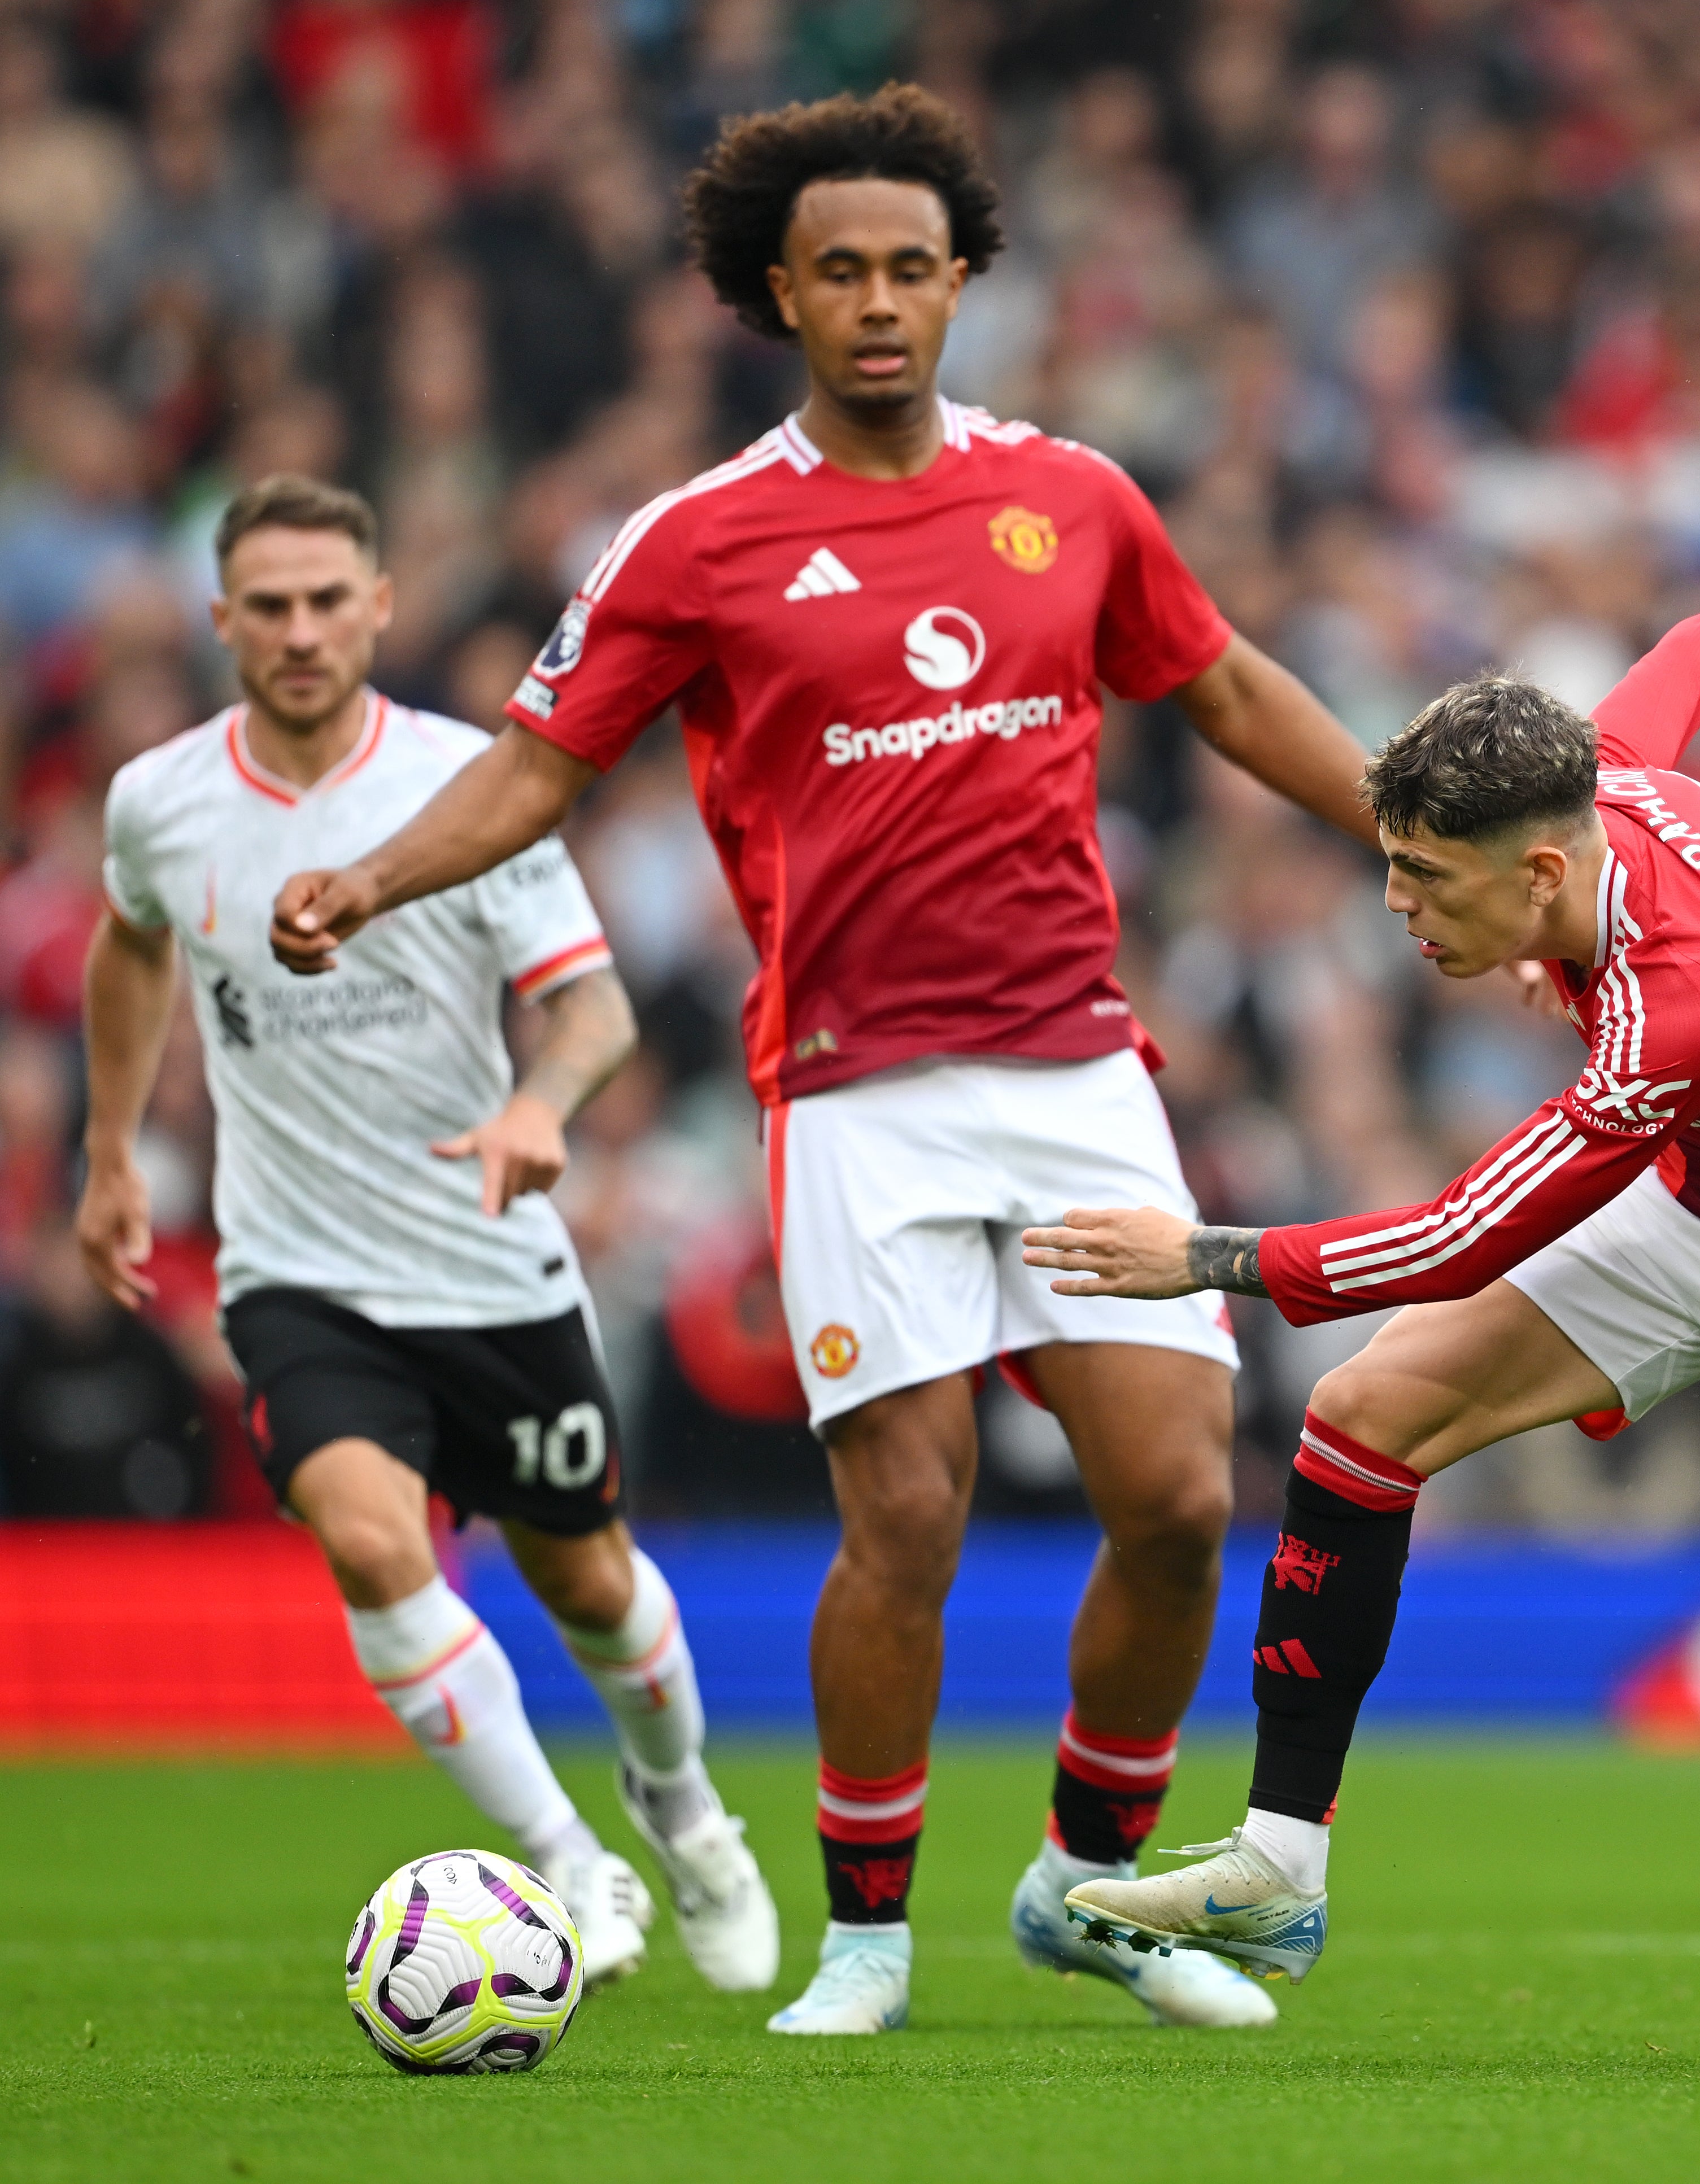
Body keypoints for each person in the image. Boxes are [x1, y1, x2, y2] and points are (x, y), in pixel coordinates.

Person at [266, 87, 1380, 2038]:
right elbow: (536, 765)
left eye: (910, 268)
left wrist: (1395, 814)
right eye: (840, 271)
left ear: (963, 283)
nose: (878, 302)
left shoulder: (1078, 495)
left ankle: (1082, 1883)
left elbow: (1216, 682)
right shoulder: (693, 542)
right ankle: (865, 1925)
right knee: (912, 1517)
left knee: (1183, 1493)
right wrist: (365, 874)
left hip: (1074, 1072)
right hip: (854, 1085)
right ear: (778, 293)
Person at [1017, 515, 1700, 2062]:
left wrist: (1200, 1257)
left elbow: (1460, 1235)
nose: (1398, 907)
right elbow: (1684, 661)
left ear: (1538, 867)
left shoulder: (1691, 1004)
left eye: (1420, 879)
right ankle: (1281, 1864)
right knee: (1359, 1420)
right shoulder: (1598, 772)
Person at [80, 474, 775, 1991]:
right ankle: (565, 1859)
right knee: (372, 1540)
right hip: (300, 1271)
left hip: (485, 1257)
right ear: (222, 623)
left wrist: (542, 1107)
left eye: (330, 599)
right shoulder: (161, 799)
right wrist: (110, 1145)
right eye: (268, 605)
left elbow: (587, 1003)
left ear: (381, 605)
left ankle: (682, 1807)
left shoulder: (467, 785)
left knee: (589, 1583)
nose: (301, 630)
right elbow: (130, 944)